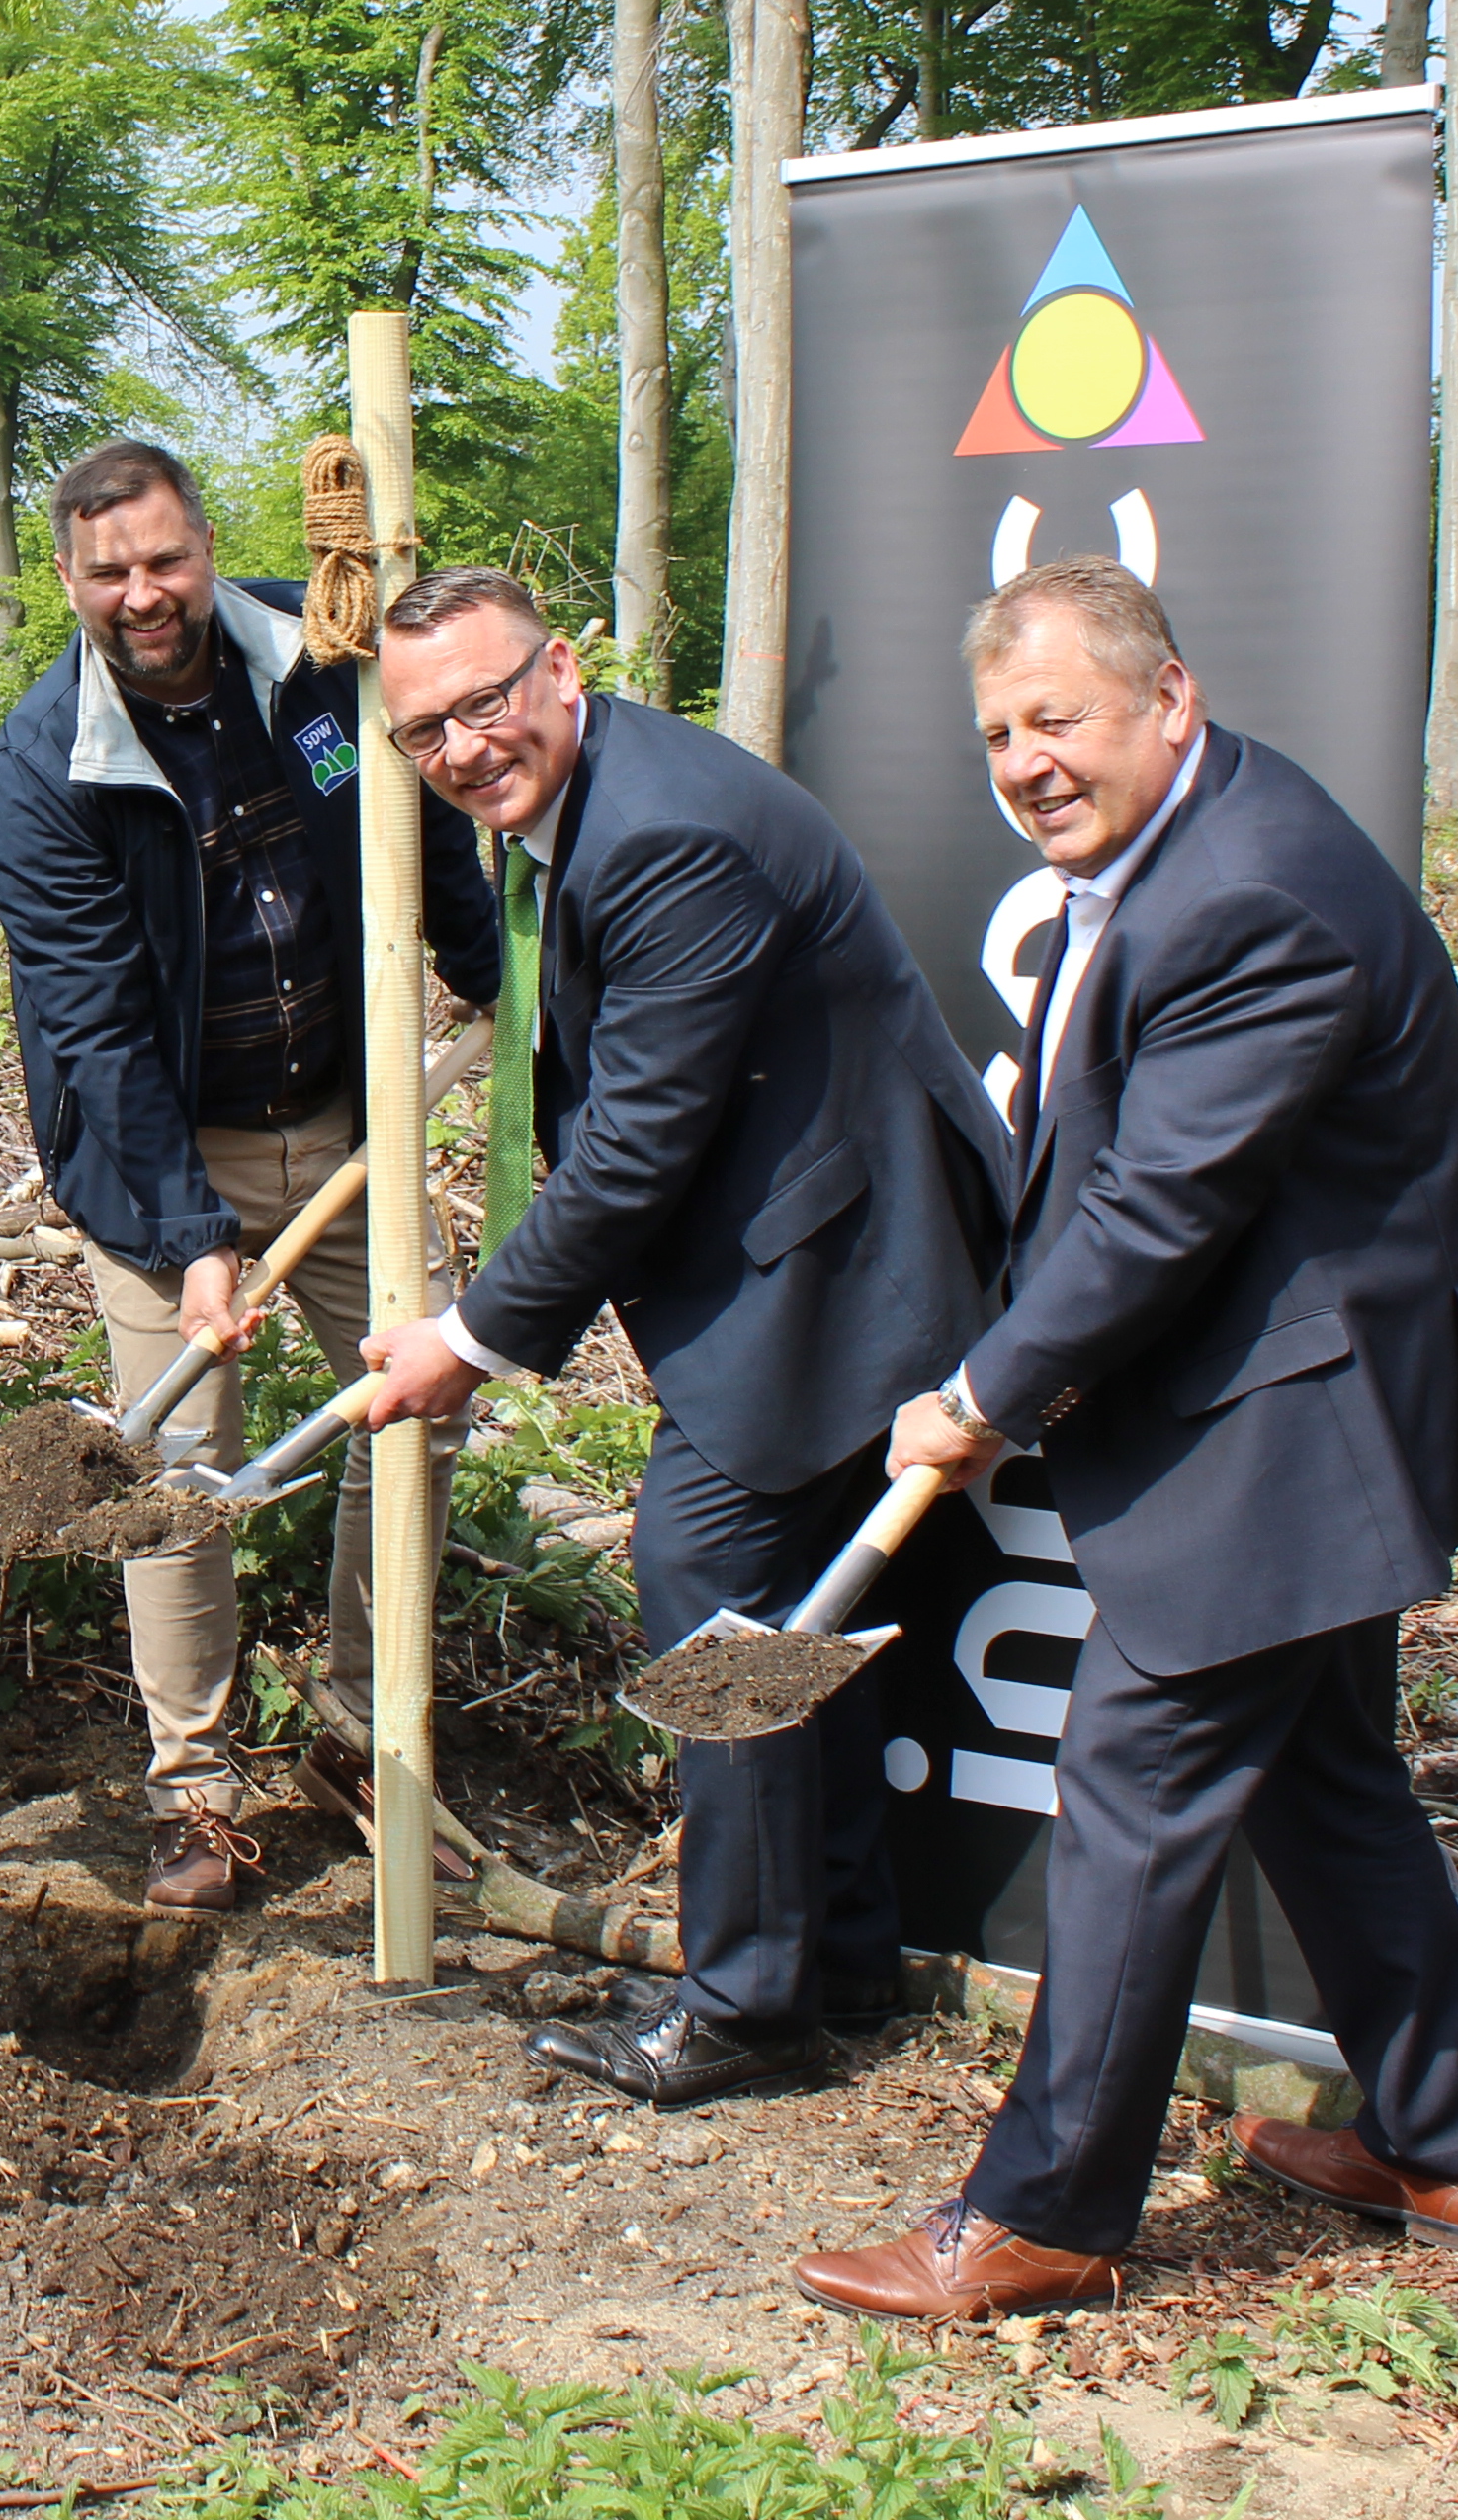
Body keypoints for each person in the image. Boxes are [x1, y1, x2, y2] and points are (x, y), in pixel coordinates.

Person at [791, 557, 1458, 2325]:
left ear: (1170, 702)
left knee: (1126, 1800)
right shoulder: (1188, 854)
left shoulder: (1253, 897)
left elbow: (1156, 1213)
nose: (1026, 763)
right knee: (1332, 1781)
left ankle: (1046, 2210)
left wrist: (984, 1395)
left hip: (1301, 1425)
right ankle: (1453, 2148)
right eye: (997, 735)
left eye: (1059, 719)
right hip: (1308, 1396)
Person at [353, 566, 1009, 2105]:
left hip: (845, 1266)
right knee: (786, 1615)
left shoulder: (665, 836)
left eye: (485, 701)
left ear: (561, 670)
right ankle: (833, 1955)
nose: (461, 747)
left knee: (711, 1585)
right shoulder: (597, 802)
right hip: (816, 1246)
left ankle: (751, 2005)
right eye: (422, 732)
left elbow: (638, 1149)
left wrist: (473, 1334)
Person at [0, 439, 501, 1914]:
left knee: (421, 1406)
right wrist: (193, 1237)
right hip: (167, 1157)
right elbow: (93, 1030)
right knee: (178, 1480)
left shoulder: (321, 665)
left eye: (165, 559)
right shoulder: (44, 767)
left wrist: (484, 966)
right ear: (69, 579)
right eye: (109, 571)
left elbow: (417, 831)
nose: (144, 594)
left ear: (207, 541)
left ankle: (358, 1721)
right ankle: (194, 1791)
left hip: (345, 1125)